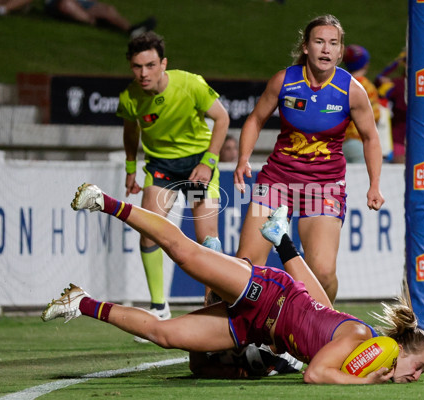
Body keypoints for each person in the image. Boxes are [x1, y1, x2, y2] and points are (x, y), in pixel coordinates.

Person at [42, 183, 424, 384]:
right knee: (186, 255)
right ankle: (104, 202)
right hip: (268, 294)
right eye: (418, 367)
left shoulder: (358, 352)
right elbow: (315, 374)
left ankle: (80, 302)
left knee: (165, 336)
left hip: (253, 326)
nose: (415, 377)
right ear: (399, 349)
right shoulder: (358, 339)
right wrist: (367, 384)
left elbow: (319, 307)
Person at [234, 15, 384, 303]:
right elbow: (255, 119)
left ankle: (322, 330)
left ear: (340, 52)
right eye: (319, 42)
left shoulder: (352, 90)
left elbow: (371, 138)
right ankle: (244, 339)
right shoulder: (284, 81)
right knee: (246, 268)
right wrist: (243, 158)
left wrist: (374, 184)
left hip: (324, 187)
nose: (326, 49)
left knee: (323, 273)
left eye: (333, 43)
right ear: (306, 47)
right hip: (275, 182)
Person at [116, 32, 230, 322]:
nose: (144, 73)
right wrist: (131, 169)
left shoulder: (190, 84)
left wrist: (208, 161)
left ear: (163, 63)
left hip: (196, 167)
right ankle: (159, 307)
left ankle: (212, 308)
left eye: (151, 65)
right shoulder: (130, 98)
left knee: (207, 241)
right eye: (137, 67)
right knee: (149, 231)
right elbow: (131, 132)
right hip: (162, 168)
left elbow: (222, 118)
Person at [341, 44, 381, 164]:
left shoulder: (339, 84)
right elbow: (375, 116)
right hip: (360, 141)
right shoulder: (367, 87)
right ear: (365, 64)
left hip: (339, 142)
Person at [44, 0, 156, 37]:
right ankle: (94, 21)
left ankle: (132, 30)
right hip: (58, 4)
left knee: (108, 10)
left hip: (82, 3)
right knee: (67, 4)